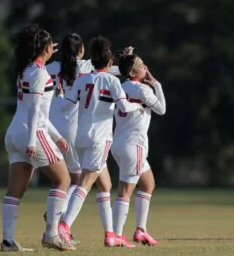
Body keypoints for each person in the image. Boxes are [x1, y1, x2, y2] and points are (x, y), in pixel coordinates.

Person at [58, 36, 143, 247]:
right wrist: (138, 107)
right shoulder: (112, 81)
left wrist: (62, 95)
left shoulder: (82, 79)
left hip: (82, 137)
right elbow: (124, 107)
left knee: (105, 185)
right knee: (85, 184)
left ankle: (110, 235)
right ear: (109, 62)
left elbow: (66, 107)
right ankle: (64, 225)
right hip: (100, 139)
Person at [0, 23, 75, 252]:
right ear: (44, 48)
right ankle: (52, 234)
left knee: (15, 190)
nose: (54, 48)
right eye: (50, 45)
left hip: (14, 133)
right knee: (64, 180)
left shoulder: (25, 69)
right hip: (29, 133)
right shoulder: (40, 72)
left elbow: (39, 112)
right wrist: (33, 141)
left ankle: (8, 241)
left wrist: (57, 135)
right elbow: (34, 110)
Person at [43, 34, 121, 245]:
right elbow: (110, 70)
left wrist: (45, 52)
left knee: (99, 182)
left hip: (54, 124)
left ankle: (112, 234)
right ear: (80, 51)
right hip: (79, 128)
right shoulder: (86, 67)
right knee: (75, 182)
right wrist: (124, 61)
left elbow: (35, 70)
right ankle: (58, 224)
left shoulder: (52, 68)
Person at [111, 52, 166, 246]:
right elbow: (162, 109)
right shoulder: (142, 89)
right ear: (133, 70)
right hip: (134, 145)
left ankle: (141, 230)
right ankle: (116, 235)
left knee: (148, 184)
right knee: (125, 191)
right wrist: (156, 84)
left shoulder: (119, 86)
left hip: (118, 143)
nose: (146, 68)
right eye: (142, 65)